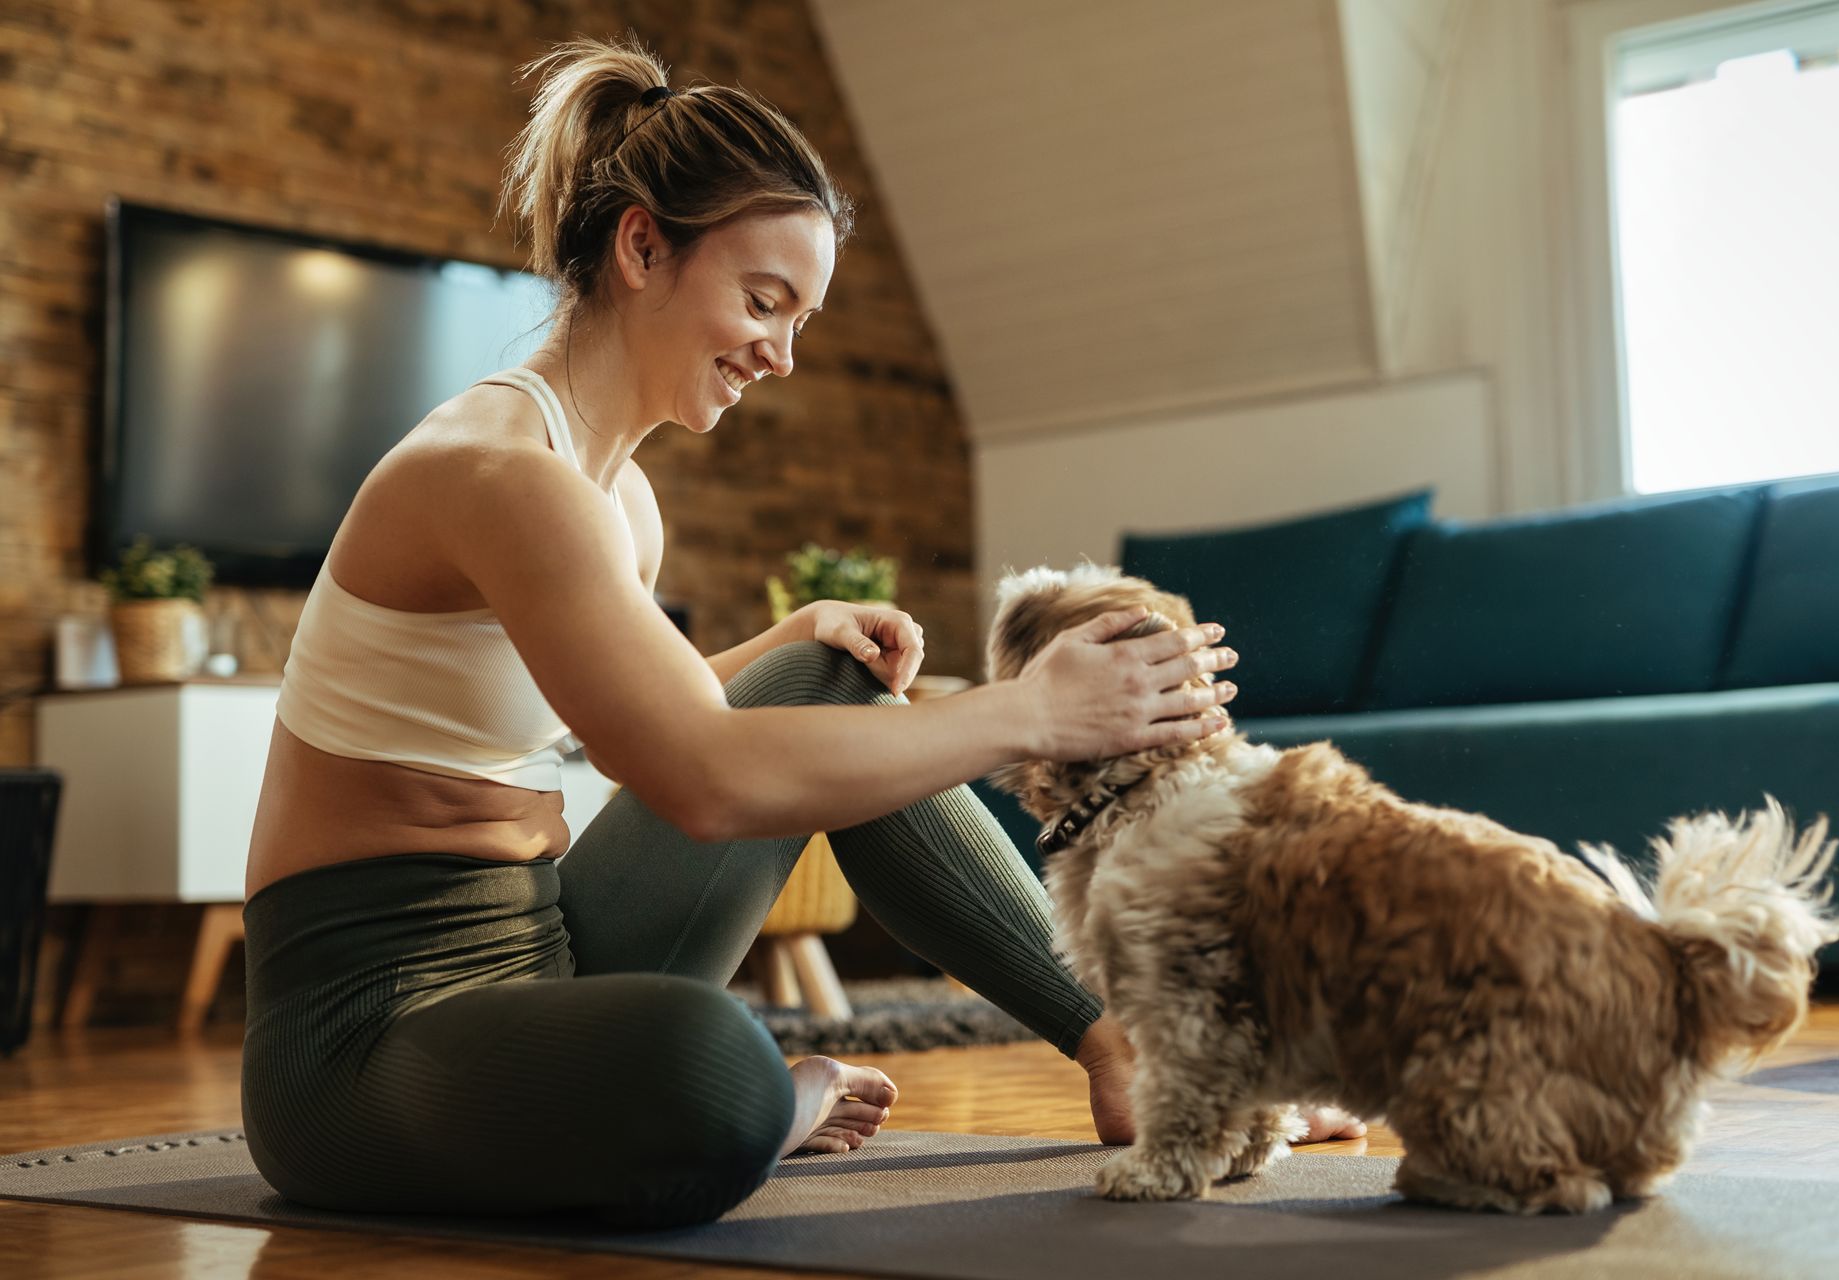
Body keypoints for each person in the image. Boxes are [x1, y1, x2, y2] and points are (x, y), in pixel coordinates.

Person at [239, 35, 1273, 1230]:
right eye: (765, 300)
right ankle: (765, 1101)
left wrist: (791, 644)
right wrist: (1034, 710)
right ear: (641, 246)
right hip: (367, 1035)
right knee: (716, 1062)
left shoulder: (615, 494)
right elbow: (701, 781)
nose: (780, 354)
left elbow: (629, 721)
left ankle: (1125, 1043)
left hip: (541, 948)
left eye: (801, 318)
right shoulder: (499, 474)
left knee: (828, 679)